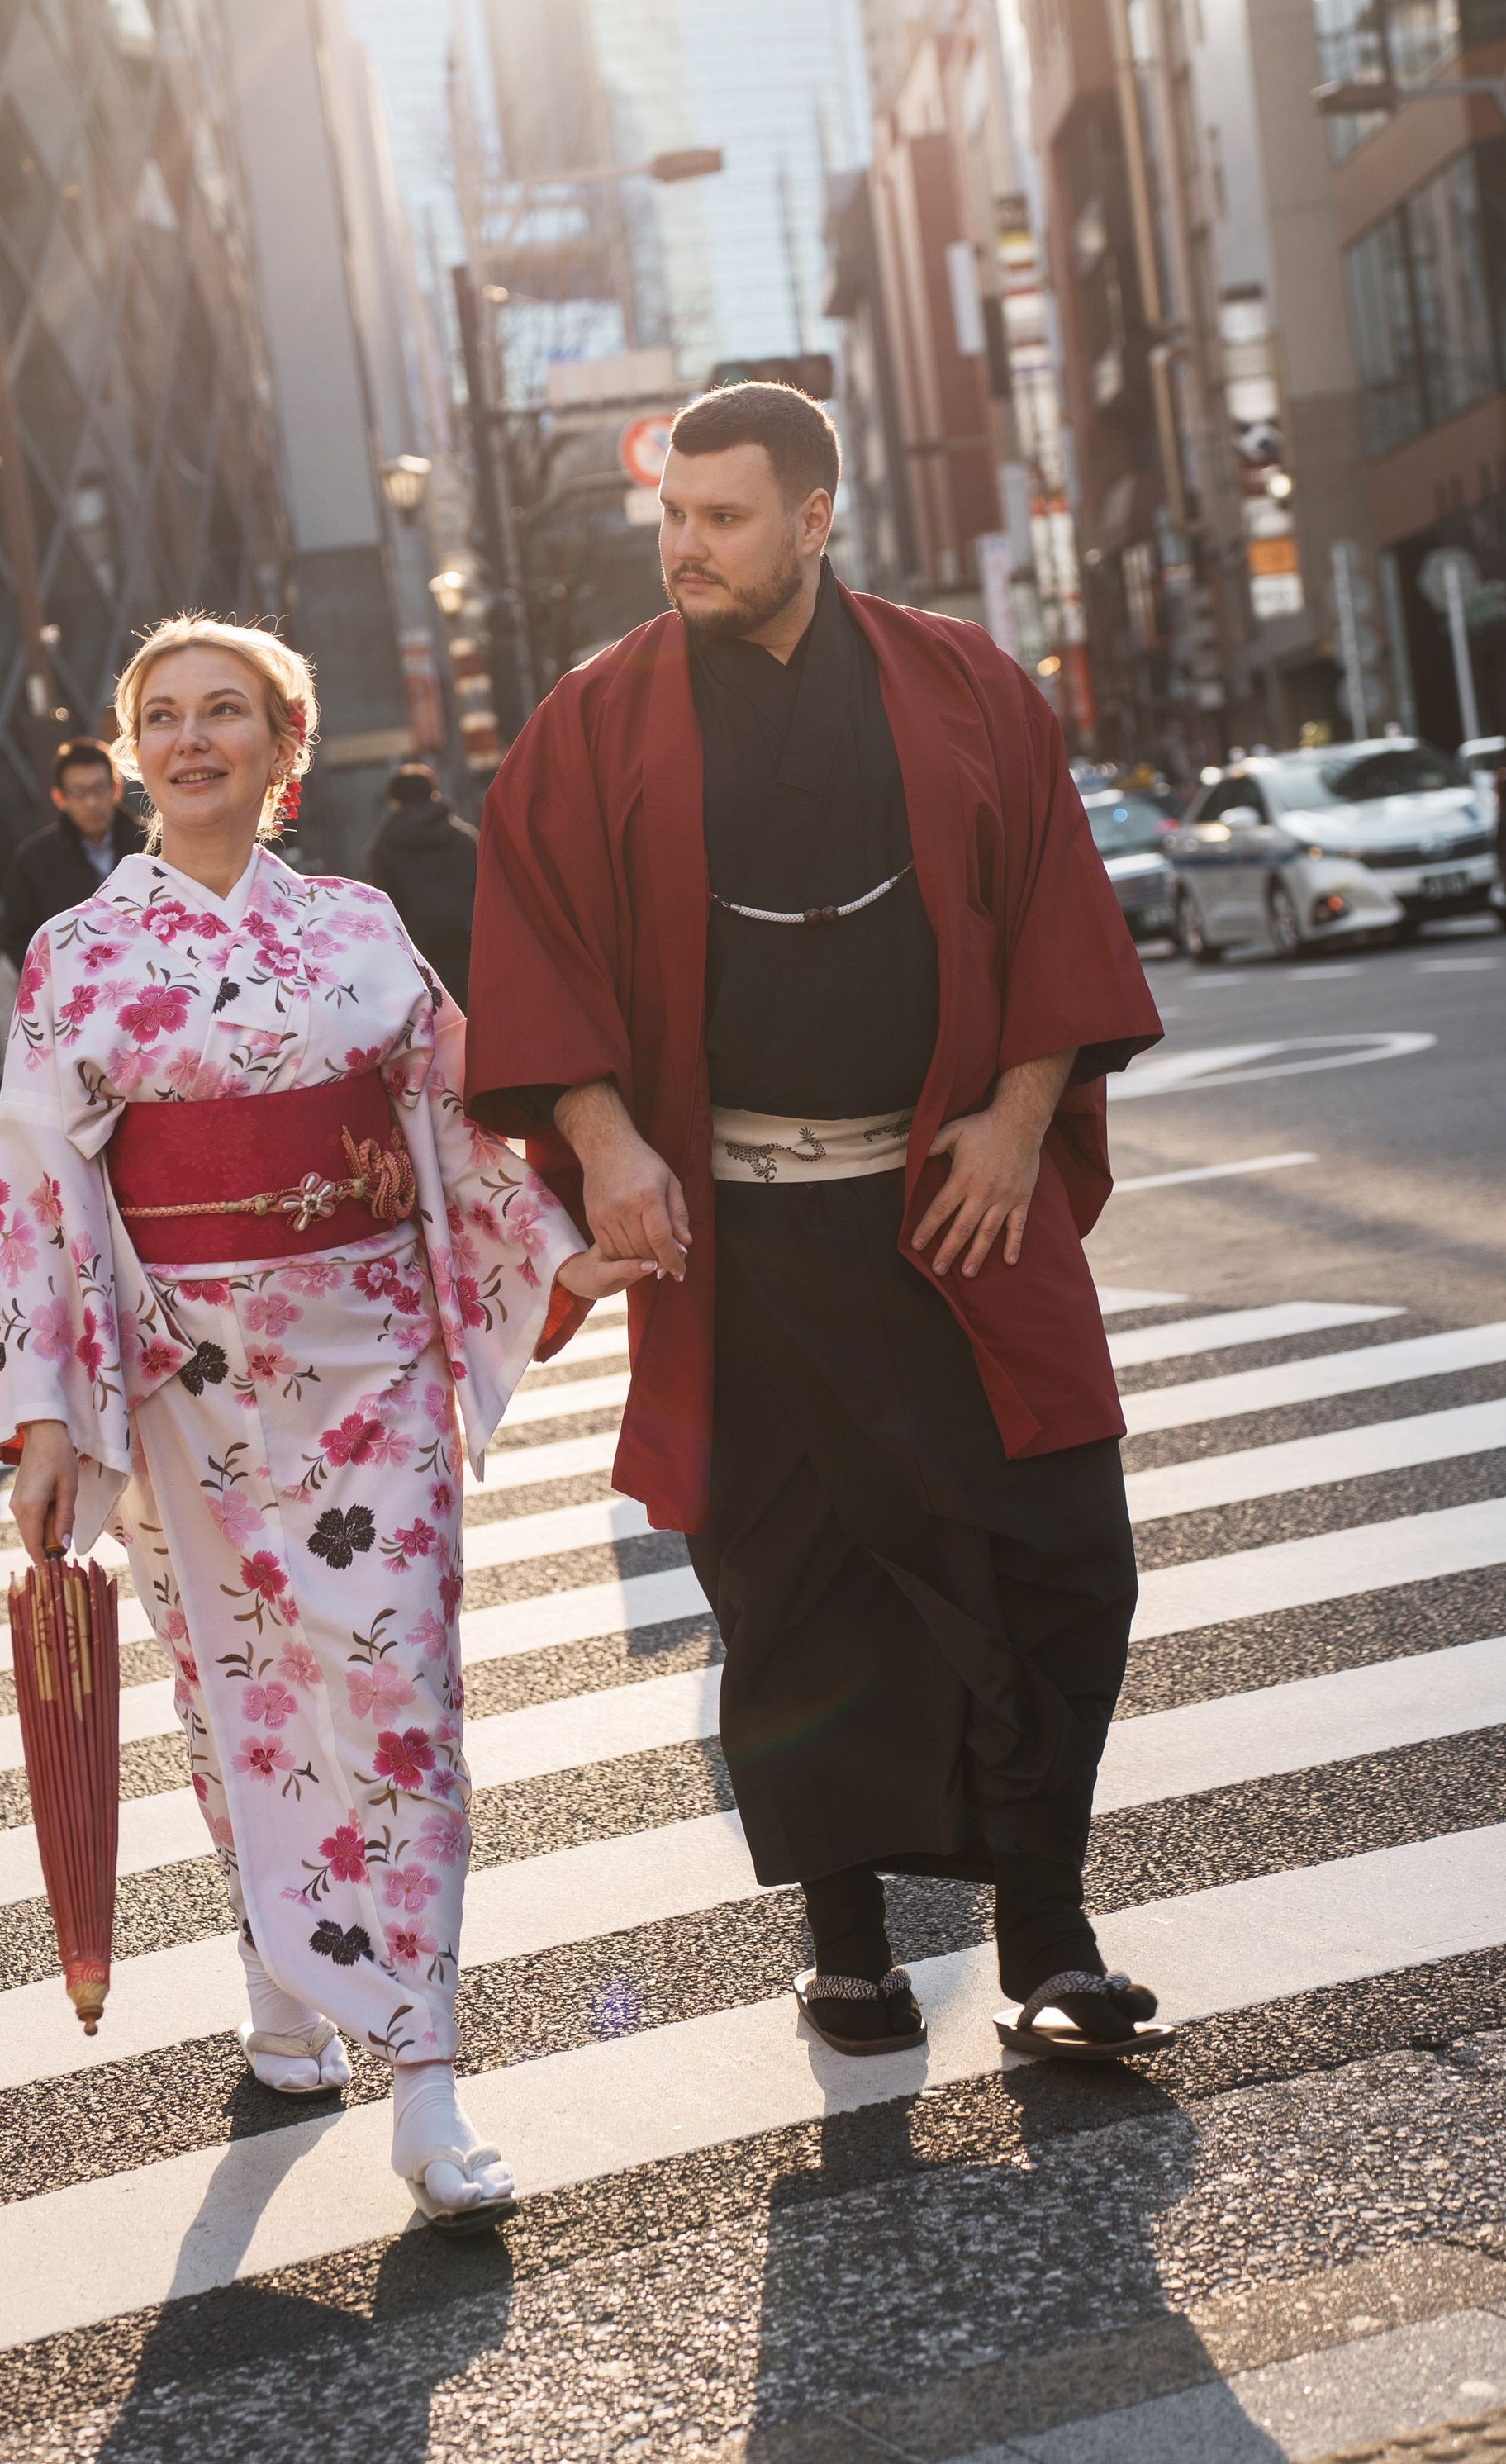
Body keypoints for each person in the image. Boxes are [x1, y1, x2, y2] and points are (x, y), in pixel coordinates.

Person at [465, 382, 1174, 2068]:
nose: (685, 546)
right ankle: (848, 1940)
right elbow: (536, 955)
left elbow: (1055, 914)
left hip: (952, 1223)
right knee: (796, 1589)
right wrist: (604, 1133)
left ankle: (1046, 1932)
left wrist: (1016, 1125)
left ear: (812, 517)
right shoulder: (589, 723)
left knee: (1064, 1559)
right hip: (739, 1246)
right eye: (671, 517)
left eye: (720, 517)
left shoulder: (963, 688)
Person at [0, 617, 651, 2226]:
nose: (193, 738)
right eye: (165, 715)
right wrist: (48, 1417)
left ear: (287, 748)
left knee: (401, 1701)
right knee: (241, 1707)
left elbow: (459, 1125)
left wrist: (574, 1233)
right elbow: (37, 1186)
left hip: (373, 1386)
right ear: (133, 747)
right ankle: (283, 1990)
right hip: (182, 1394)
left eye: (228, 712)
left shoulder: (360, 929)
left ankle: (422, 2079)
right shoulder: (79, 952)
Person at [0, 738, 147, 1063]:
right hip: (73, 1003)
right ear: (60, 798)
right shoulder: (34, 860)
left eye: (100, 789)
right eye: (79, 792)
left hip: (147, 992)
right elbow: (17, 939)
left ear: (116, 789)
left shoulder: (151, 845)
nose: (92, 802)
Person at [363, 762, 480, 1007]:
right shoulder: (464, 838)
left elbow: (386, 906)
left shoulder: (384, 846)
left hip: (419, 957)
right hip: (469, 949)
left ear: (394, 800)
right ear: (434, 793)